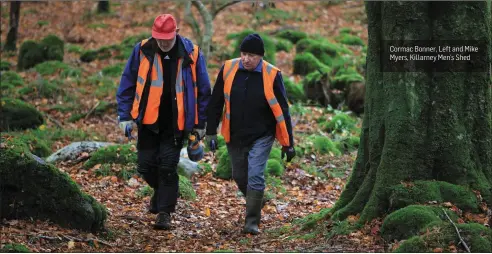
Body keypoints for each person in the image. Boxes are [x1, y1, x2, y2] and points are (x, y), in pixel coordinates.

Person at [116, 14, 211, 230]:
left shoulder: (192, 53)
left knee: (168, 166)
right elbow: (127, 82)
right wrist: (124, 116)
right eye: (159, 38)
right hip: (148, 121)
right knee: (145, 166)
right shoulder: (142, 50)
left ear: (176, 33)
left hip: (176, 122)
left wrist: (201, 124)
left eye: (167, 39)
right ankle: (164, 192)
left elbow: (204, 91)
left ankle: (164, 212)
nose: (163, 43)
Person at [205, 33, 296, 235]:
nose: (246, 59)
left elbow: (283, 110)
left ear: (261, 57)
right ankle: (257, 200)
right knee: (239, 175)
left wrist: (288, 143)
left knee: (255, 175)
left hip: (262, 134)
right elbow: (216, 100)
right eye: (244, 54)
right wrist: (210, 131)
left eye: (252, 56)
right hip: (235, 132)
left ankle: (252, 221)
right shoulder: (228, 69)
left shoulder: (272, 75)